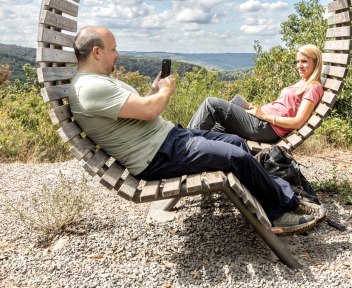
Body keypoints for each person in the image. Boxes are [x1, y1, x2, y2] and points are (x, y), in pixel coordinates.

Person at [68, 26, 327, 235]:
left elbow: (135, 109)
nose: (118, 54)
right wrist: (166, 91)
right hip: (158, 154)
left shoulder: (100, 82)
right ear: (96, 52)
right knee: (234, 157)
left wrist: (154, 91)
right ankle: (281, 211)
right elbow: (148, 112)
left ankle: (281, 196)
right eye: (113, 49)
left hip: (168, 140)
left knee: (237, 143)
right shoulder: (90, 87)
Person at [188, 44, 324, 143]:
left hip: (266, 128)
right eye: (298, 61)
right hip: (261, 122)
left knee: (212, 104)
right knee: (216, 129)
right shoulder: (303, 82)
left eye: (304, 61)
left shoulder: (313, 87)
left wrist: (264, 115)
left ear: (316, 62)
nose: (299, 66)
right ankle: (192, 155)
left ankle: (183, 145)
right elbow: (284, 107)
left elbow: (297, 122)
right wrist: (256, 109)